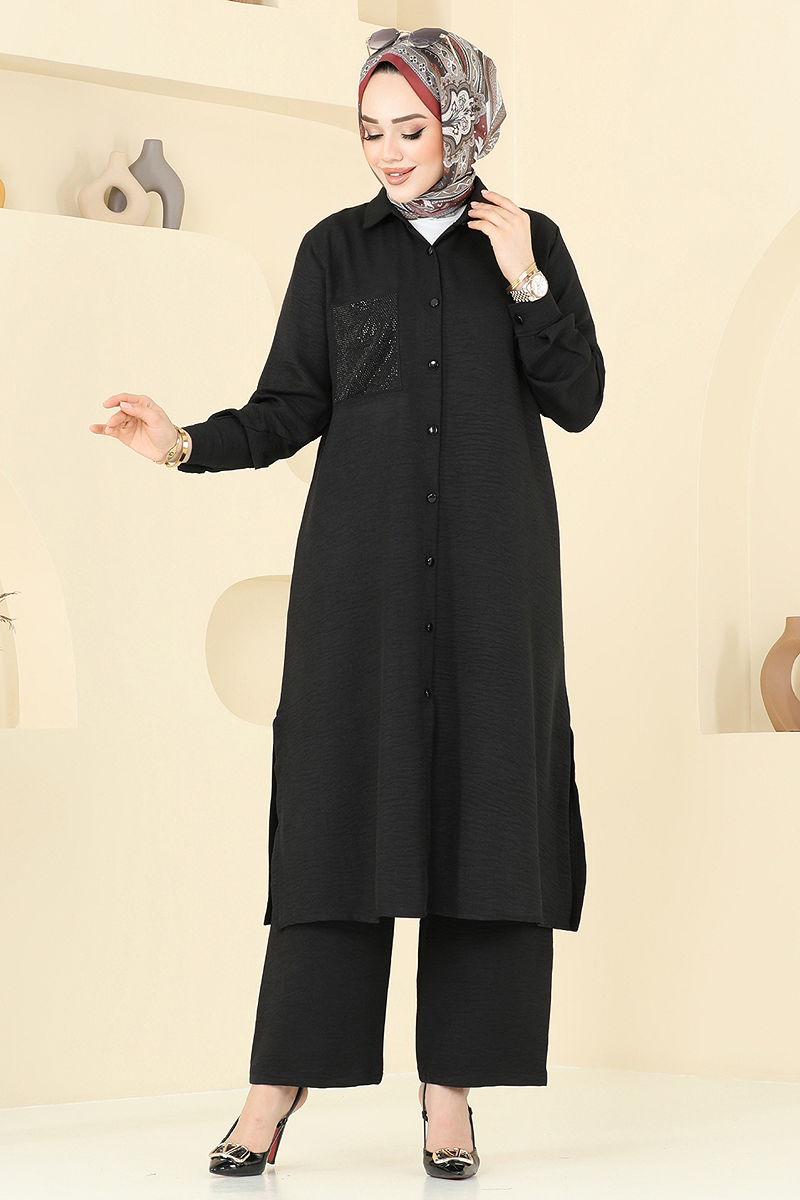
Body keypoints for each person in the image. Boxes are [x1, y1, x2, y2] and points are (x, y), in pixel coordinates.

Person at [90, 26, 605, 1182]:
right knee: (335, 820)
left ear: (461, 122)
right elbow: (289, 407)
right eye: (370, 131)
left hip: (492, 587)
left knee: (485, 820)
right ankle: (275, 1088)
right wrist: (182, 442)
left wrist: (525, 279)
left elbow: (576, 398)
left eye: (409, 129)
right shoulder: (334, 251)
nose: (388, 152)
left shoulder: (528, 242)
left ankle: (450, 1095)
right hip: (357, 587)